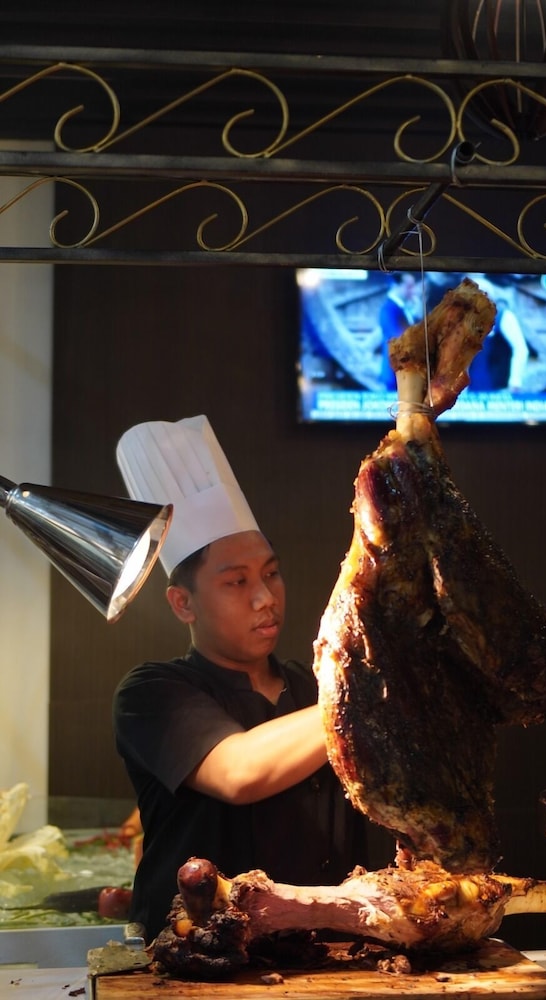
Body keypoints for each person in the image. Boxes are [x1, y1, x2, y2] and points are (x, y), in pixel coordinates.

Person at [112, 416, 370, 943]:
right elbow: (240, 772)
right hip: (196, 959)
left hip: (327, 956)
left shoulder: (313, 685)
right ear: (182, 603)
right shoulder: (151, 693)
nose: (265, 598)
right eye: (236, 582)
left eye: (271, 573)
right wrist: (366, 697)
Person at [468, 278, 530, 391]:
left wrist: (515, 380)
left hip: (499, 388)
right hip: (469, 390)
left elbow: (520, 349)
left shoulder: (504, 316)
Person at [378, 272, 420, 390]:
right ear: (396, 285)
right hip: (394, 374)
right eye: (409, 287)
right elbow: (400, 337)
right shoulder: (388, 310)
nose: (413, 291)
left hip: (405, 374)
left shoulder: (404, 308)